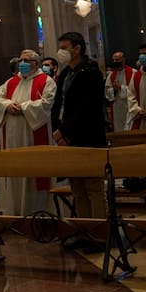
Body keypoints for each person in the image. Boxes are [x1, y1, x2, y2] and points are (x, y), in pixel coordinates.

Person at [0, 49, 56, 215]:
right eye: (21, 60)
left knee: (34, 171)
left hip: (32, 134)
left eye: (26, 61)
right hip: (12, 136)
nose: (22, 64)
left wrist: (23, 107)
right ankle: (13, 209)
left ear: (36, 63)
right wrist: (7, 106)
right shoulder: (11, 82)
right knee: (15, 170)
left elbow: (47, 103)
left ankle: (37, 209)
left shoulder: (46, 81)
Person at [51, 32, 107, 223]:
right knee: (78, 188)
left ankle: (99, 232)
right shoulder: (66, 72)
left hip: (88, 135)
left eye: (65, 48)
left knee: (93, 188)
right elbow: (59, 103)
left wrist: (65, 132)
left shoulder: (91, 72)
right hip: (68, 136)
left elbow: (88, 108)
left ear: (77, 49)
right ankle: (84, 229)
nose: (61, 52)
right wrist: (57, 128)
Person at [104, 51, 134, 133]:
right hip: (116, 107)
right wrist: (114, 89)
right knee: (119, 128)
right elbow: (107, 92)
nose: (115, 62)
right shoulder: (111, 75)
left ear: (124, 60)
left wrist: (121, 87)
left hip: (129, 106)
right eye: (113, 60)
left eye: (117, 60)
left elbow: (135, 91)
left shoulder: (133, 73)